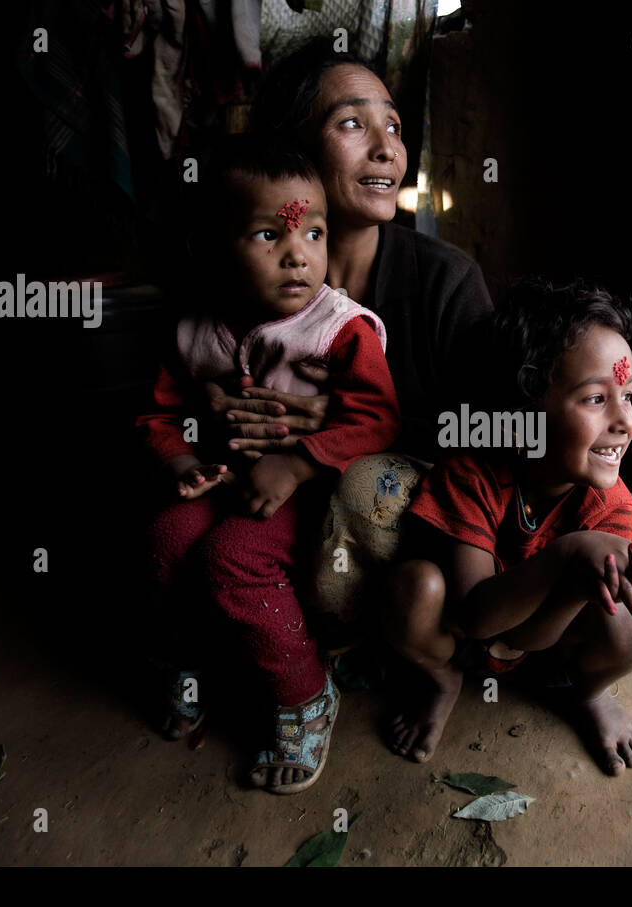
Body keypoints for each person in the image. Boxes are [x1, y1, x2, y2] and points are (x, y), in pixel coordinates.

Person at [136, 137, 401, 794]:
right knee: (168, 537)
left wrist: (299, 464)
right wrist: (180, 461)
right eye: (267, 234)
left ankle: (304, 693)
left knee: (233, 556)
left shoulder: (338, 328)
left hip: (309, 497)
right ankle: (195, 665)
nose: (298, 253)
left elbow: (379, 419)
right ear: (212, 246)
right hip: (224, 480)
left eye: (314, 232)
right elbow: (158, 414)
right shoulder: (196, 328)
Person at [206, 38, 498, 627]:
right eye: (352, 124)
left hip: (413, 530)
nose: (387, 148)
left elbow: (492, 435)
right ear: (295, 150)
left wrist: (354, 428)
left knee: (368, 484)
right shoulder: (241, 283)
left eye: (393, 125)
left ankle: (377, 632)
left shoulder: (447, 281)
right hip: (274, 500)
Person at [386, 279, 632, 776]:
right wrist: (567, 556)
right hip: (459, 638)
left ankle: (588, 694)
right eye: (594, 399)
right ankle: (441, 680)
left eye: (627, 395)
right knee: (413, 588)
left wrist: (596, 583)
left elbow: (524, 637)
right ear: (522, 421)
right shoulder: (470, 475)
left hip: (545, 650)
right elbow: (474, 617)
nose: (625, 420)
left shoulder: (612, 507)